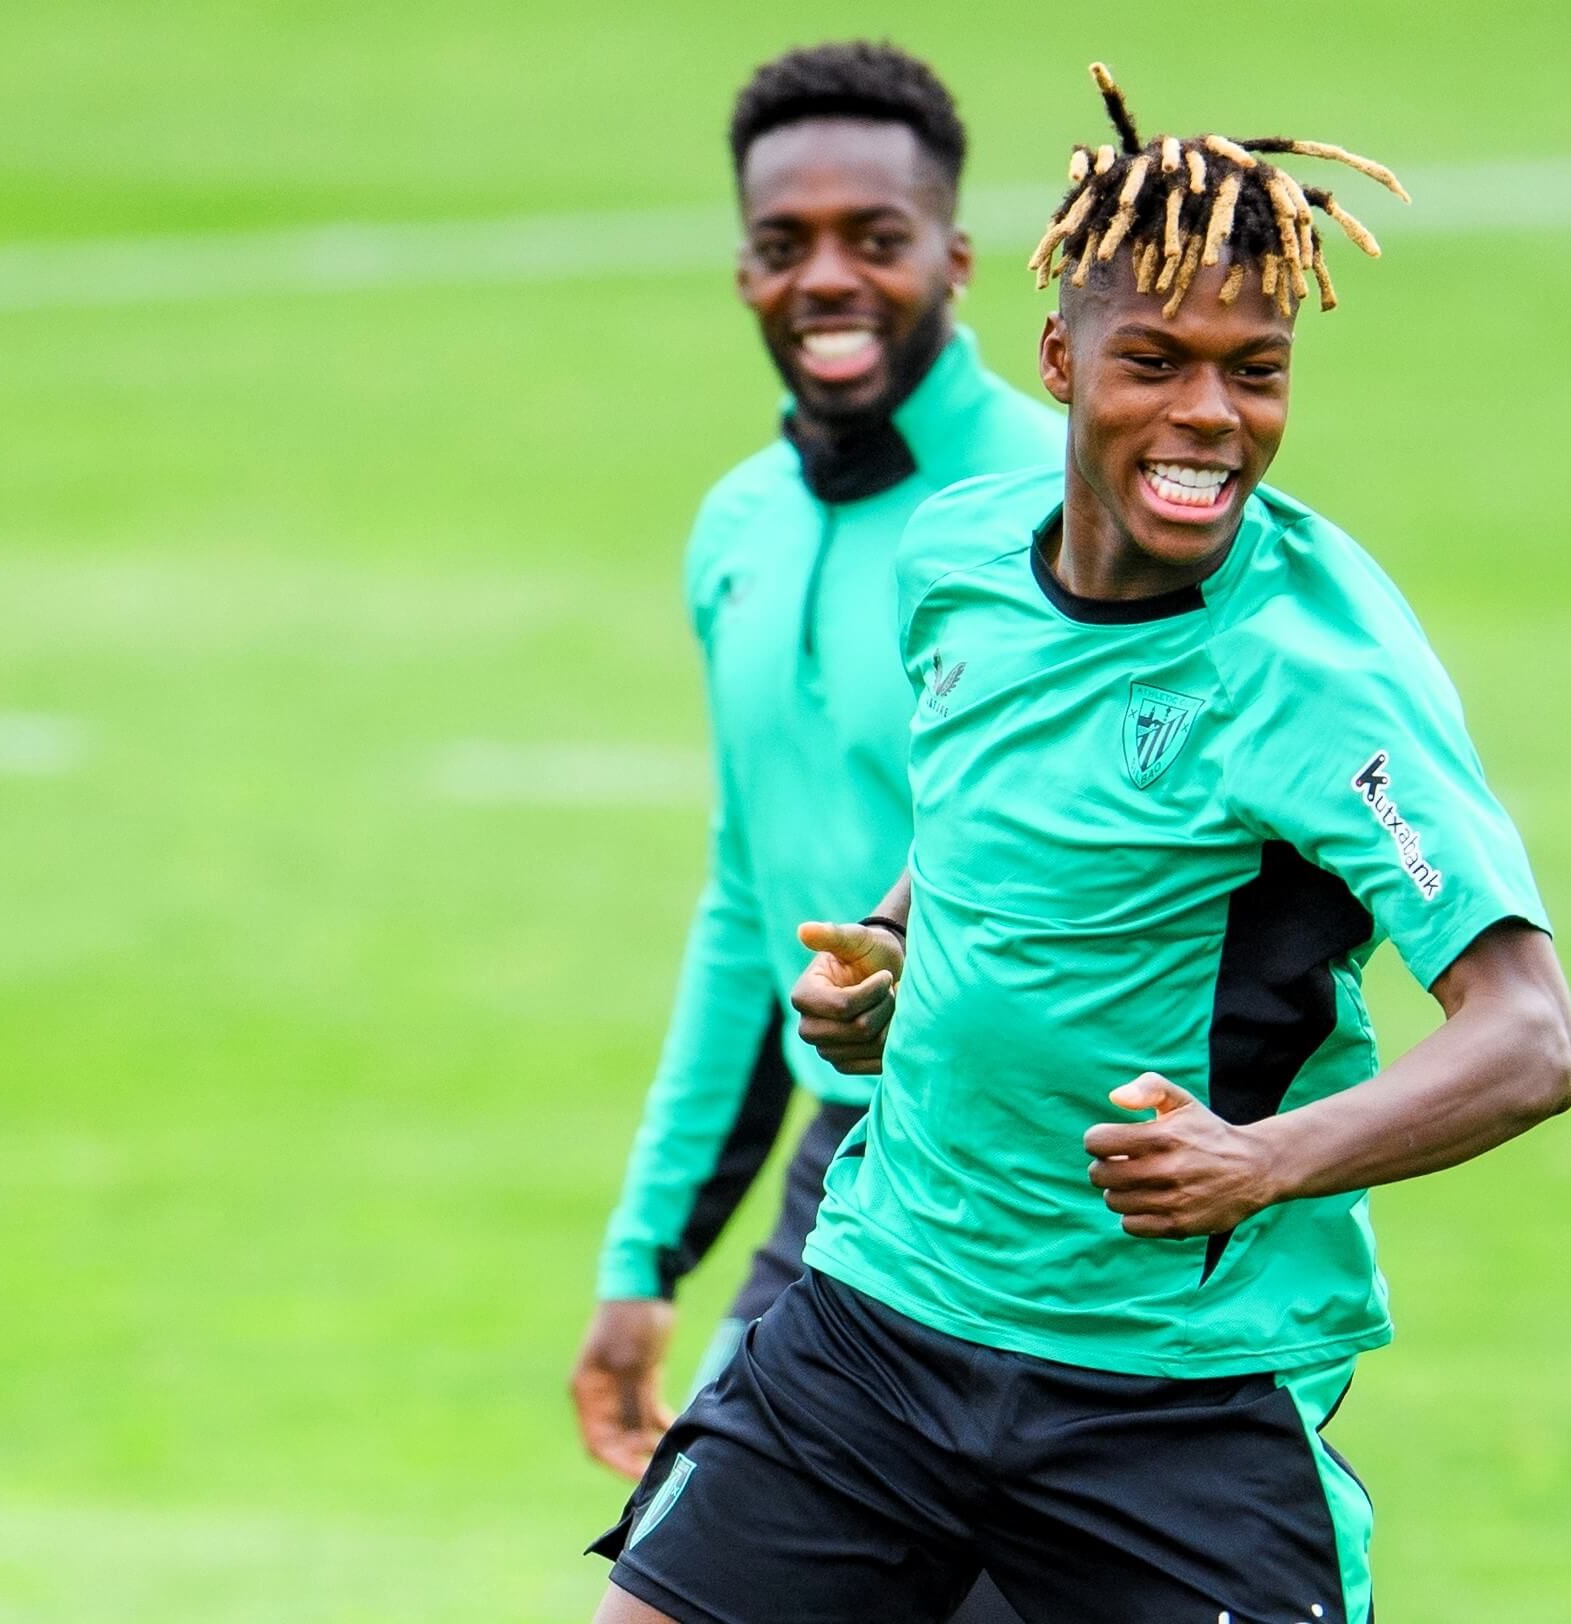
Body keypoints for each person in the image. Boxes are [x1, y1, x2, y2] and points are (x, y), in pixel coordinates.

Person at [590, 64, 1571, 1624]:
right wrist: (895, 948)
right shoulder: (961, 557)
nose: (1210, 415)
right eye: (1157, 362)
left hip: (1167, 1393)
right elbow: (978, 807)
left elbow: (1529, 1038)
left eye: (1255, 371)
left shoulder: (1317, 674)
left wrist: (1258, 1162)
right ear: (1061, 358)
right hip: (883, 1316)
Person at [567, 42, 1055, 1620]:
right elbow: (748, 904)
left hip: (1051, 1208)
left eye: (875, 237)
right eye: (786, 244)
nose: (827, 278)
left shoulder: (1067, 511)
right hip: (845, 1193)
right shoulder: (739, 527)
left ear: (956, 258)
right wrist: (647, 1254)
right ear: (744, 271)